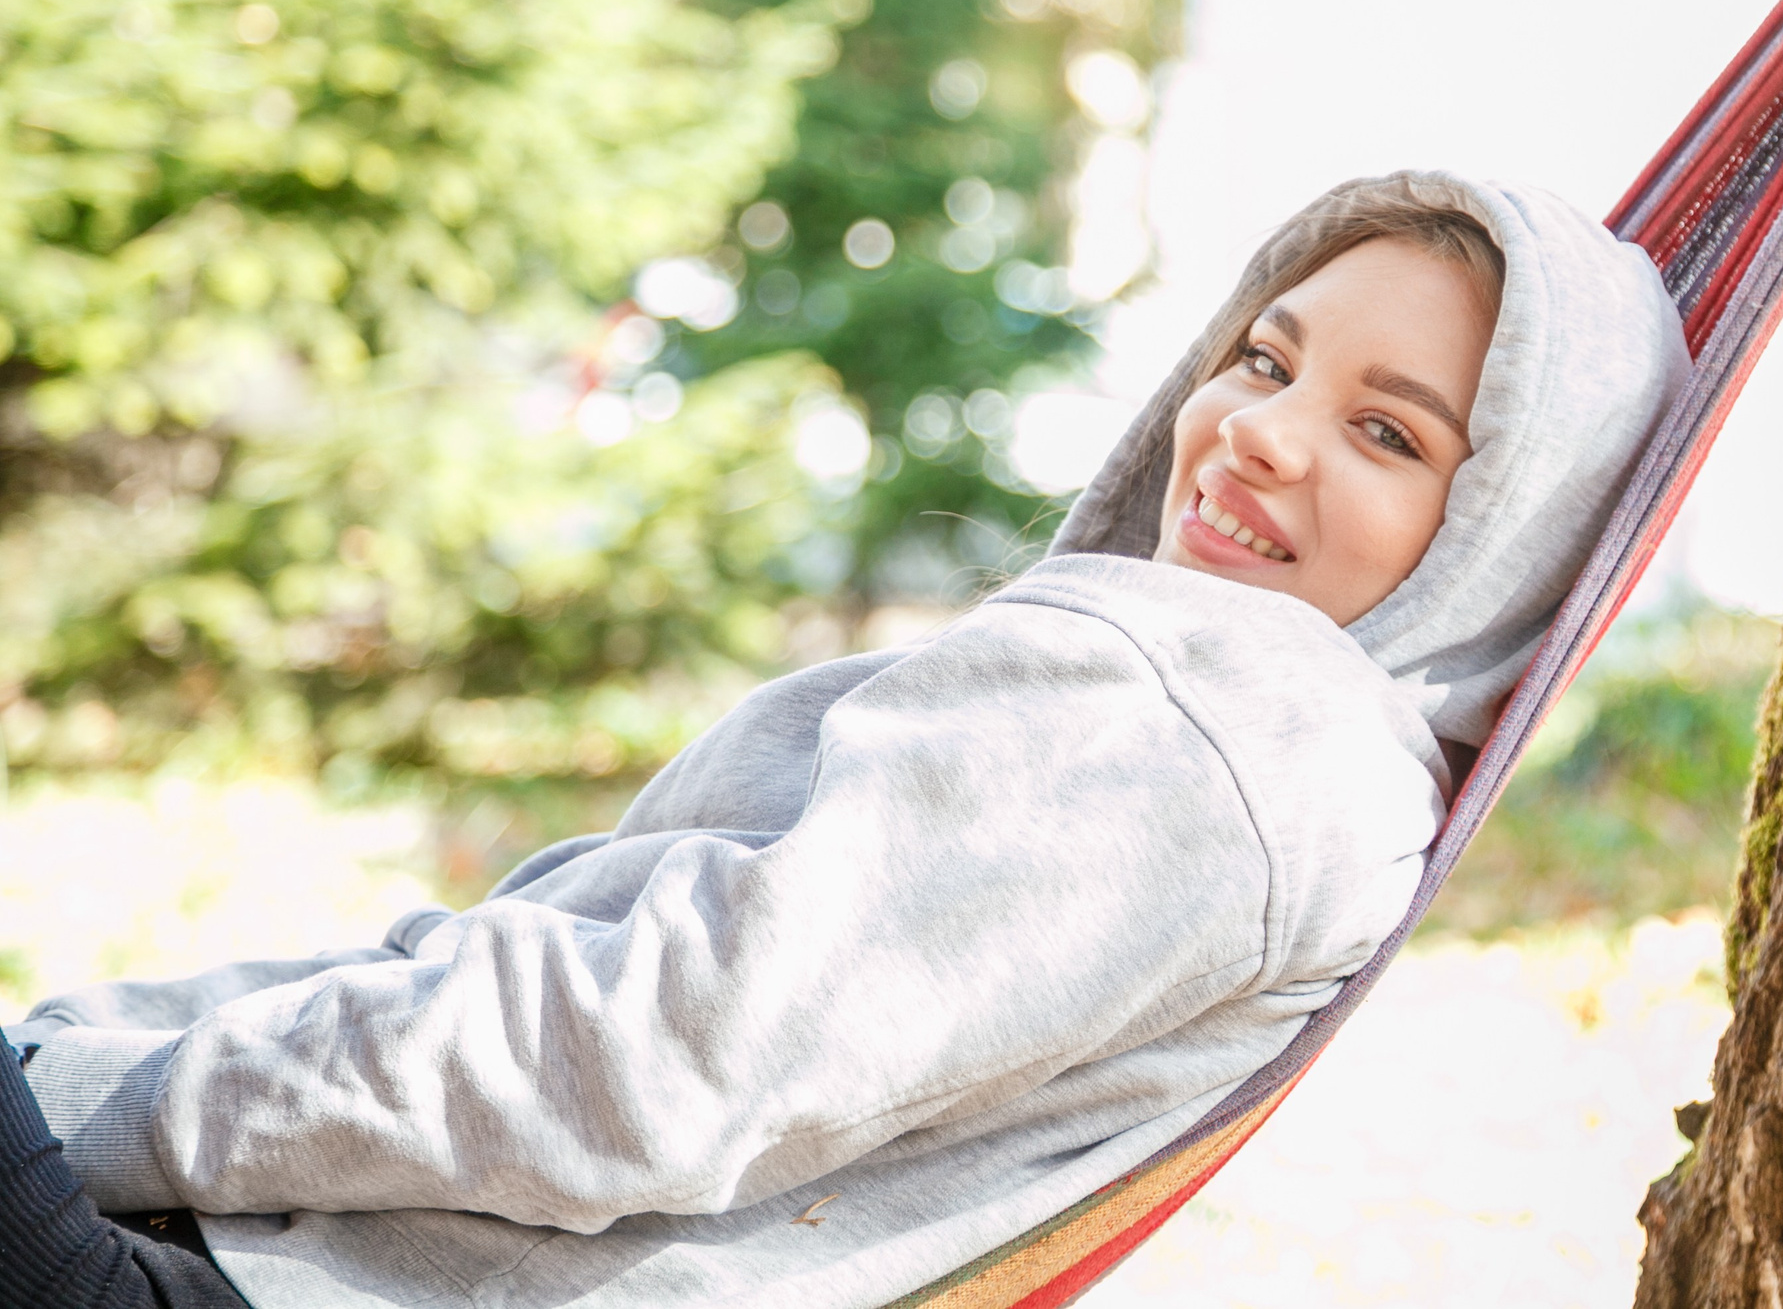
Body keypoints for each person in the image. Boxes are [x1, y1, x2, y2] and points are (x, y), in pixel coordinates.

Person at [1, 171, 1686, 1309]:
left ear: (1507, 536)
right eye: (1265, 356)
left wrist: (85, 1098)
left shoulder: (1215, 748)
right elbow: (540, 964)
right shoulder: (1229, 718)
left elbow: (646, 1061)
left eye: (1388, 433)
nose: (1256, 437)